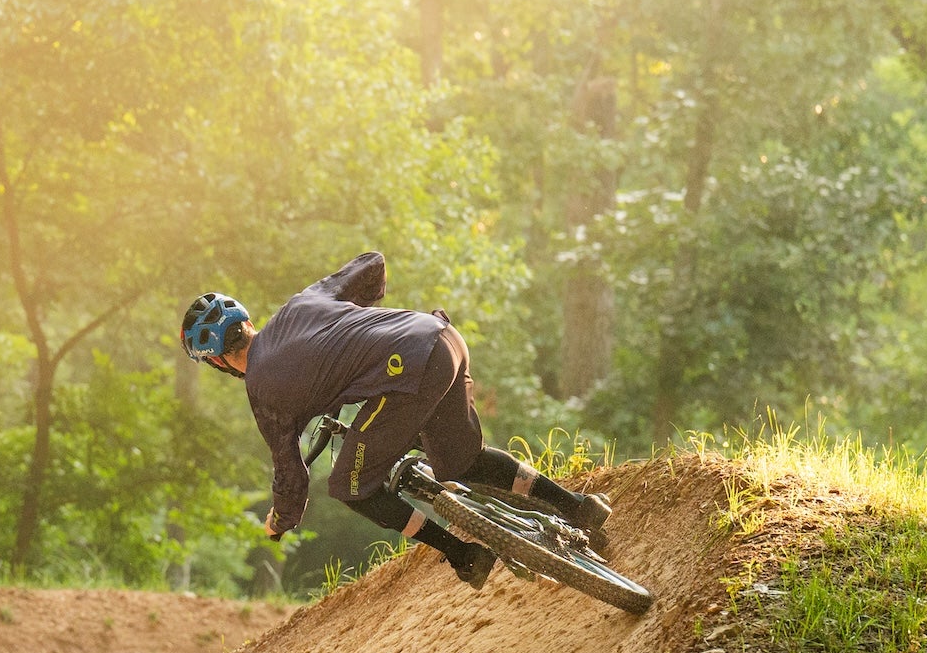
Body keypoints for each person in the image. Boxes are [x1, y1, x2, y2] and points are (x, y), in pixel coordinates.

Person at [181, 251, 609, 589]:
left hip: (406, 374)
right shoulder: (302, 305)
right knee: (462, 462)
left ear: (217, 361)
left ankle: (463, 555)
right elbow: (373, 263)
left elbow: (290, 478)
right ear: (247, 320)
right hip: (443, 339)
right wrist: (354, 323)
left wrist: (279, 522)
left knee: (349, 486)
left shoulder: (261, 389)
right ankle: (578, 506)